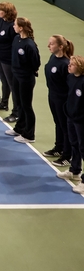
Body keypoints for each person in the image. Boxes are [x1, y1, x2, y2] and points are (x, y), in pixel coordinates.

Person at [5, 17, 41, 143]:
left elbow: (36, 63)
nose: (13, 26)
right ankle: (20, 128)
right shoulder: (16, 39)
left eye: (15, 25)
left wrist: (26, 72)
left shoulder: (30, 45)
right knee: (19, 103)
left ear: (21, 28)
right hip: (16, 75)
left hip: (25, 78)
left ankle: (29, 135)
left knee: (26, 105)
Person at [45, 35, 74, 166]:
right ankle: (59, 148)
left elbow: (71, 86)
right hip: (53, 96)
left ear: (60, 47)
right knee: (58, 123)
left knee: (65, 127)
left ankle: (67, 156)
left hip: (63, 100)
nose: (48, 46)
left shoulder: (65, 64)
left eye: (51, 44)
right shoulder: (53, 58)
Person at [56, 55, 84, 194]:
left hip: (81, 121)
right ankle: (75, 170)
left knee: (83, 148)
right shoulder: (70, 78)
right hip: (71, 117)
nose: (69, 66)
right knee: (74, 144)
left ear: (80, 67)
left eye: (72, 64)